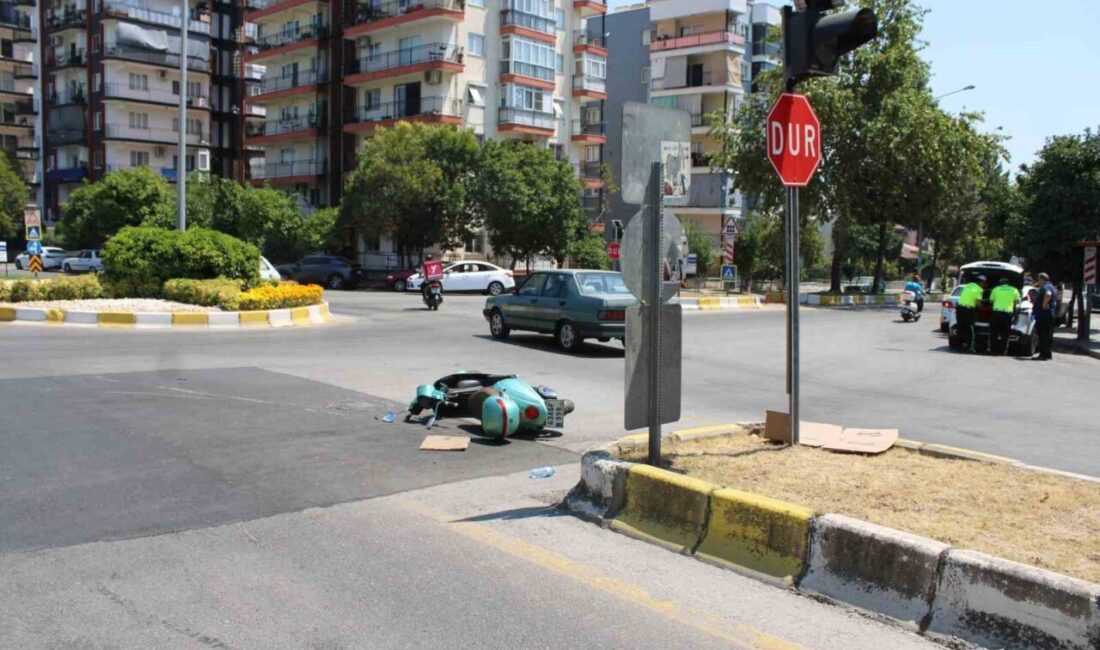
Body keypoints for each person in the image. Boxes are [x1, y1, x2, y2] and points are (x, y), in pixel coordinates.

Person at [989, 277, 1020, 355]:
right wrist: (1015, 316)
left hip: (997, 313)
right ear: (1008, 283)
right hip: (1007, 314)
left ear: (1000, 283)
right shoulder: (1014, 290)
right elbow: (1017, 302)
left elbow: (991, 301)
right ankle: (1003, 351)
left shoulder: (995, 289)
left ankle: (993, 350)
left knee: (994, 333)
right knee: (1005, 334)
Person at [1033, 272, 1058, 360]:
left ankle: (1043, 355)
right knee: (1048, 336)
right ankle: (1048, 354)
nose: (1038, 281)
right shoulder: (1052, 287)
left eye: (1039, 279)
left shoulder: (1046, 287)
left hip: (1043, 315)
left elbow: (1048, 294)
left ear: (1041, 279)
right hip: (1049, 315)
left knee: (1043, 335)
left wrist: (1044, 304)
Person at [956, 275, 985, 352]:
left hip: (959, 308)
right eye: (984, 283)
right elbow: (978, 303)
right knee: (970, 328)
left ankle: (959, 345)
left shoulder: (968, 286)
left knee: (960, 327)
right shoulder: (979, 289)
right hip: (968, 310)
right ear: (981, 282)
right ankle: (970, 347)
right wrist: (983, 310)